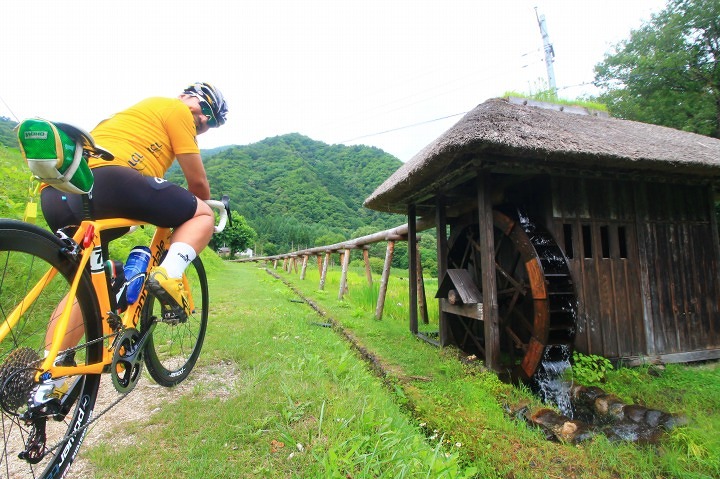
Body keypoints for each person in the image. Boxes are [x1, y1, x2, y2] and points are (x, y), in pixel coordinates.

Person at [41, 82, 228, 348]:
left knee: (87, 286)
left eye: (213, 122)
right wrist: (191, 207)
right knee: (202, 214)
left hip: (57, 193)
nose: (205, 119)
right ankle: (169, 274)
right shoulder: (175, 108)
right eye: (205, 108)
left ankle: (49, 379)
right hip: (111, 179)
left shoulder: (131, 117)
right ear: (184, 97)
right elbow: (198, 186)